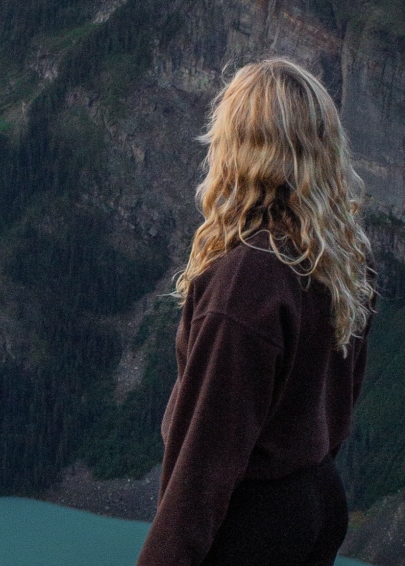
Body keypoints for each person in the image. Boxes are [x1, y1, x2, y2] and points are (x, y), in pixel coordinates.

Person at [135, 57, 376, 566]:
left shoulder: (248, 279)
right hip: (314, 501)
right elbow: (340, 402)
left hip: (251, 527)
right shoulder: (340, 257)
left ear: (238, 150)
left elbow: (205, 457)